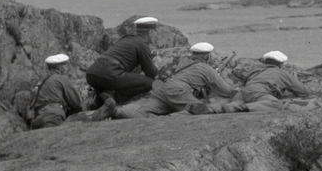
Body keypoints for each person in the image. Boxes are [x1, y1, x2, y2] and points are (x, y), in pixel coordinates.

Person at [102, 42, 238, 119]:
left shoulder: (183, 62)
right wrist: (226, 80)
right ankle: (171, 119)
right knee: (201, 111)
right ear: (207, 56)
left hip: (163, 90)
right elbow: (226, 90)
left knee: (142, 114)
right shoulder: (206, 68)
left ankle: (115, 111)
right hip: (179, 91)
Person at [190, 50, 310, 114]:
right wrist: (294, 79)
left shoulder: (256, 70)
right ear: (281, 64)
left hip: (243, 91)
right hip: (258, 92)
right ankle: (244, 108)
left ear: (265, 61)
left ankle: (210, 109)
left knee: (232, 104)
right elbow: (304, 92)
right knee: (275, 104)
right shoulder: (283, 74)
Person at [85, 16, 160, 105]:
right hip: (110, 74)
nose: (157, 34)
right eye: (156, 31)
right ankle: (116, 100)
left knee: (108, 84)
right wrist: (156, 64)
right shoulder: (143, 44)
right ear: (151, 32)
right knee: (149, 83)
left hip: (91, 74)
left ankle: (100, 99)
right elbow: (151, 73)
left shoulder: (126, 39)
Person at [30, 54, 91, 129]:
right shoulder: (61, 78)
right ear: (59, 67)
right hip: (53, 117)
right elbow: (76, 103)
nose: (67, 68)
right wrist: (84, 94)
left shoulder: (41, 81)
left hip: (38, 119)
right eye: (65, 65)